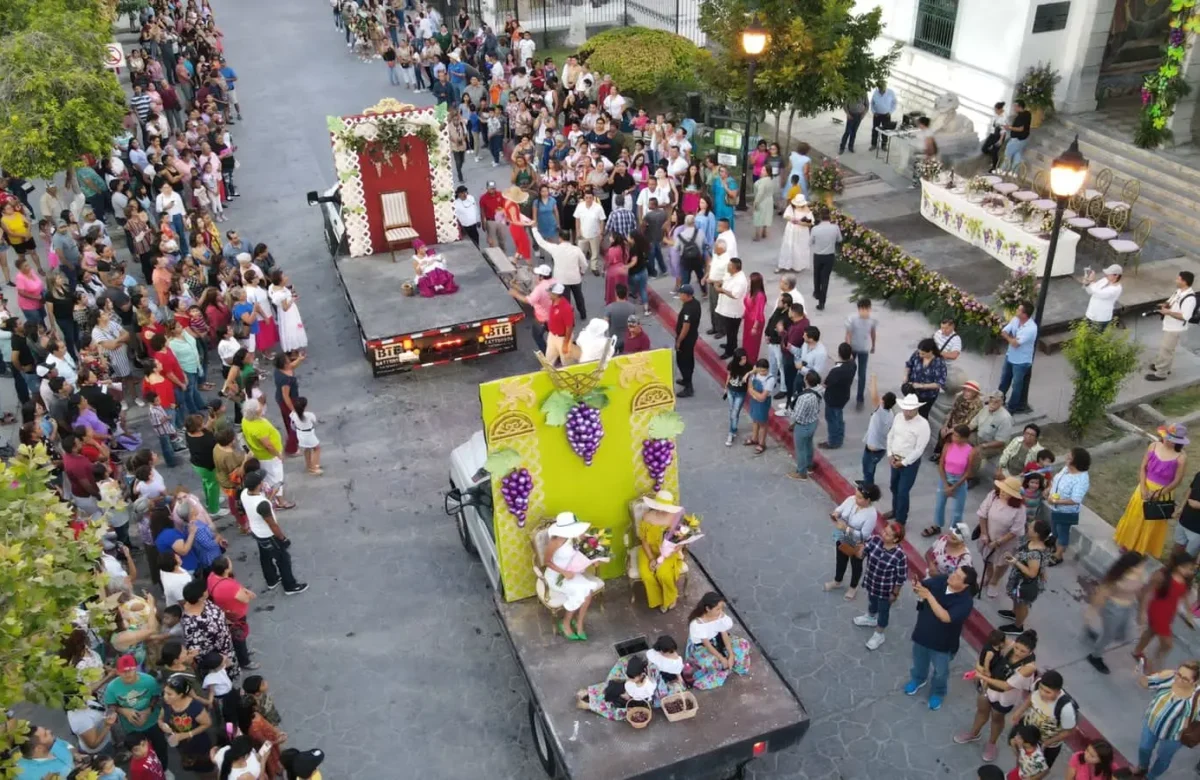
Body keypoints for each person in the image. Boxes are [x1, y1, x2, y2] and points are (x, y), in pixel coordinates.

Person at [954, 629, 1038, 762]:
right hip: (988, 688)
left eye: (1023, 651)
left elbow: (1006, 686)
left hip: (1005, 696)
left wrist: (981, 676)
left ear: (1030, 651)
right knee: (981, 711)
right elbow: (987, 651)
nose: (1018, 652)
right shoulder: (1008, 645)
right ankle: (974, 733)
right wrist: (980, 666)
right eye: (1017, 648)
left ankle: (991, 744)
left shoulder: (1029, 667)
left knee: (997, 718)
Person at [905, 565, 978, 710]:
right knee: (919, 662)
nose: (952, 576)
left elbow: (946, 617)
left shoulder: (965, 602)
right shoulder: (941, 580)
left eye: (957, 577)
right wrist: (917, 586)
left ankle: (938, 693)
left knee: (940, 673)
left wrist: (929, 596)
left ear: (965, 585)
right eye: (954, 573)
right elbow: (924, 587)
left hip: (943, 644)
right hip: (922, 633)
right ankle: (918, 679)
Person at [1114, 423, 1189, 557]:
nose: (1168, 440)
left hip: (1163, 492)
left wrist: (1160, 493)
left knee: (1151, 522)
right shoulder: (1153, 446)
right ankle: (1127, 543)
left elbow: (1177, 480)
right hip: (1144, 487)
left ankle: (1140, 549)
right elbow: (1143, 468)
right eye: (1167, 437)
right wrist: (1143, 487)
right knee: (1135, 516)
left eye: (1172, 439)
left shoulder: (1181, 458)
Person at [240, 471, 308, 595]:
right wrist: (283, 538)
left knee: (265, 557)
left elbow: (262, 507)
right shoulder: (262, 504)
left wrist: (272, 495)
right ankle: (290, 585)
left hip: (256, 532)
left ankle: (272, 580)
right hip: (268, 535)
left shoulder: (244, 494)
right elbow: (272, 524)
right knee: (283, 559)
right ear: (259, 484)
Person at [1134, 660, 1200, 778]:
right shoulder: (1169, 677)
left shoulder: (1197, 698)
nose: (1178, 679)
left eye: (1184, 678)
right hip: (1151, 723)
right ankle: (1142, 768)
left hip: (1174, 736)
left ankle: (1150, 776)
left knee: (1163, 758)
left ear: (1195, 682)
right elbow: (1147, 683)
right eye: (1178, 674)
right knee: (1144, 748)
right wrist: (1141, 675)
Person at [542, 511, 602, 640]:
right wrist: (563, 572)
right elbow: (546, 562)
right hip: (556, 576)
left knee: (588, 592)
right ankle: (565, 622)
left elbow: (588, 543)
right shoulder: (555, 542)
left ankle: (579, 623)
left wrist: (594, 555)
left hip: (572, 573)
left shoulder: (575, 536)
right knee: (582, 592)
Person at [105, 655, 169, 767]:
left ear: (136, 668)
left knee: (161, 747)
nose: (128, 674)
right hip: (131, 728)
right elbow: (111, 704)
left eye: (131, 670)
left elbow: (156, 696)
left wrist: (149, 710)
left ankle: (163, 769)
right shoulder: (112, 687)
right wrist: (123, 711)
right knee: (139, 752)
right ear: (117, 672)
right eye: (123, 671)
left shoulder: (149, 680)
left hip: (153, 722)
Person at [855, 522, 908, 650]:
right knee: (872, 602)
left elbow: (901, 578)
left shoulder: (900, 556)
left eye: (888, 534)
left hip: (886, 590)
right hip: (871, 582)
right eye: (884, 531)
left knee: (883, 611)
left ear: (895, 539)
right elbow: (860, 555)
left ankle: (879, 634)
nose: (883, 534)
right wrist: (860, 547)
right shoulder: (875, 540)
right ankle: (870, 617)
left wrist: (895, 593)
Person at [824, 482, 882, 601]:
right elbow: (840, 509)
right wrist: (836, 513)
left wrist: (846, 528)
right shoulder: (851, 499)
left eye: (860, 497)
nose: (856, 498)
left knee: (856, 564)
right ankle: (837, 580)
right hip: (841, 535)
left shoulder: (871, 514)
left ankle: (853, 587)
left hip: (857, 543)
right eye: (856, 495)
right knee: (840, 559)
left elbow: (863, 535)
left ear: (868, 500)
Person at [1013, 670, 1078, 770]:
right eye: (1041, 689)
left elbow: (1069, 731)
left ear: (1058, 691)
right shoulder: (1037, 683)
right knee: (1021, 756)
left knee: (1037, 769)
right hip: (1028, 733)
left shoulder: (1066, 708)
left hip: (1047, 744)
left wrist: (1046, 743)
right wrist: (1019, 712)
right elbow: (1031, 698)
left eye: (1048, 692)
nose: (1042, 693)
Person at [997, 517, 1052, 634]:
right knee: (1016, 598)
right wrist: (1014, 557)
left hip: (1025, 585)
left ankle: (1018, 626)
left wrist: (1015, 562)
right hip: (1019, 580)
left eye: (1031, 527)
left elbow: (1032, 573)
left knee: (1022, 604)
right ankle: (1014, 612)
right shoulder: (1031, 542)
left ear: (1036, 534)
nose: (1028, 527)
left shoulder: (1035, 554)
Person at [685, 592, 752, 689]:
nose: (721, 611)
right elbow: (707, 644)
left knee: (743, 644)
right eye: (718, 609)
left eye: (721, 609)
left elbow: (723, 633)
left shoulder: (719, 616)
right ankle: (726, 665)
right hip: (703, 647)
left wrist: (731, 654)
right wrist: (722, 658)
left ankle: (730, 662)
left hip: (718, 640)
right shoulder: (697, 624)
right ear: (708, 609)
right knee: (718, 663)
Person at [636, 490, 686, 612]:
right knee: (646, 574)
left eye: (665, 508)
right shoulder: (647, 517)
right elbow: (644, 540)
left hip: (669, 552)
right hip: (648, 550)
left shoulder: (675, 519)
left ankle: (670, 597)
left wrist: (665, 555)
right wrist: (652, 559)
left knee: (663, 573)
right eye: (659, 507)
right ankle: (658, 599)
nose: (661, 510)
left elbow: (680, 541)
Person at [885, 394, 930, 526]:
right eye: (905, 409)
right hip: (894, 458)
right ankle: (895, 510)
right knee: (894, 487)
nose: (907, 412)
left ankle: (901, 519)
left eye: (910, 409)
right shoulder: (898, 417)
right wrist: (889, 454)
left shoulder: (923, 425)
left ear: (916, 409)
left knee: (903, 491)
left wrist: (903, 462)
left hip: (909, 463)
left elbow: (919, 449)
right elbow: (891, 435)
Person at [575, 653, 657, 721]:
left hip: (635, 701)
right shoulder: (635, 680)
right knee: (611, 687)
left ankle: (590, 705)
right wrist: (626, 691)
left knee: (614, 704)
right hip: (628, 693)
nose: (630, 679)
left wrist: (628, 697)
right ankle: (590, 693)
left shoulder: (647, 686)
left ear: (641, 675)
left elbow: (647, 697)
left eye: (632, 678)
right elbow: (628, 684)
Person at [1044, 447, 1091, 565]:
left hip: (1066, 512)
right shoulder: (1067, 469)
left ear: (1076, 462)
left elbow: (1075, 499)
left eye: (1069, 457)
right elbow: (1057, 480)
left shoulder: (1081, 479)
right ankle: (1053, 543)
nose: (1066, 458)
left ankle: (1058, 555)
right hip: (1055, 507)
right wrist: (1049, 489)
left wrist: (1056, 502)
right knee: (1055, 527)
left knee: (1062, 532)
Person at [158, 675, 214, 774]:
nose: (165, 696)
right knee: (187, 759)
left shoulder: (195, 707)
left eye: (169, 694)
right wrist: (162, 725)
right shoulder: (166, 702)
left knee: (203, 766)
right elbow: (160, 718)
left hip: (197, 743)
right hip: (180, 742)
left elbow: (207, 724)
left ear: (181, 695)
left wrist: (187, 734)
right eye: (164, 692)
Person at [925, 425, 973, 537]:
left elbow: (968, 472)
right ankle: (937, 525)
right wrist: (946, 484)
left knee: (958, 510)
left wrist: (954, 486)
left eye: (956, 435)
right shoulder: (948, 446)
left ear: (964, 438)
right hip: (945, 478)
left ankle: (954, 531)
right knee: (939, 505)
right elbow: (941, 465)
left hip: (959, 481)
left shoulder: (970, 451)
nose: (953, 437)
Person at [1147, 271, 1197, 381]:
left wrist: (1168, 312)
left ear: (1184, 282)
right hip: (1169, 325)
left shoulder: (1190, 299)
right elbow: (1172, 302)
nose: (1176, 280)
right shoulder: (1179, 291)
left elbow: (1185, 316)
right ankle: (1163, 367)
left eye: (1178, 279)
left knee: (1166, 350)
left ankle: (1161, 374)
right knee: (1167, 349)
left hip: (1175, 329)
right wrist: (1165, 305)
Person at [998, 301, 1037, 413]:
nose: (1016, 311)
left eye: (1019, 310)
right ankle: (999, 400)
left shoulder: (1031, 328)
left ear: (1024, 314)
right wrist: (1011, 338)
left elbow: (1016, 343)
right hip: (1010, 355)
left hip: (1021, 361)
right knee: (1004, 381)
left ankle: (1012, 407)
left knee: (1017, 385)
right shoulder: (1015, 320)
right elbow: (1004, 331)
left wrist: (1009, 338)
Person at [932, 380, 983, 462]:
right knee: (941, 432)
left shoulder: (977, 405)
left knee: (951, 437)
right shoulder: (960, 397)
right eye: (965, 390)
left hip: (964, 427)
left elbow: (968, 421)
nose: (966, 392)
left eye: (969, 391)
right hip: (953, 421)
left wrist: (951, 430)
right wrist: (945, 426)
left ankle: (945, 457)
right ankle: (938, 453)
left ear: (975, 393)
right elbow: (952, 411)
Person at [787, 371, 824, 481]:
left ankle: (801, 472)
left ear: (806, 381)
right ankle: (809, 464)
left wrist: (788, 410)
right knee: (808, 444)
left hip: (803, 425)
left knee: (800, 449)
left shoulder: (804, 398)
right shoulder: (820, 389)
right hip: (813, 422)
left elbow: (797, 416)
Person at [862, 376, 896, 487]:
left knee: (868, 471)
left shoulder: (881, 412)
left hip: (873, 451)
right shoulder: (890, 413)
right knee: (869, 470)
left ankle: (868, 488)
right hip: (879, 449)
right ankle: (867, 483)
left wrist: (874, 379)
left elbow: (873, 396)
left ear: (883, 401)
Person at [821, 343, 855, 450]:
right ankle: (840, 436)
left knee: (832, 419)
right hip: (844, 395)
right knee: (839, 416)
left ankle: (833, 441)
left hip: (833, 397)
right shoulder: (852, 365)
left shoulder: (836, 371)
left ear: (839, 354)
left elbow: (826, 383)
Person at [844, 299, 877, 408]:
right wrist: (848, 350)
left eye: (866, 309)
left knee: (862, 374)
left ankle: (860, 398)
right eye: (862, 309)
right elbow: (848, 334)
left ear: (870, 309)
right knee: (849, 371)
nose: (864, 311)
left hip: (864, 349)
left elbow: (873, 332)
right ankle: (845, 393)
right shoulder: (852, 319)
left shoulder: (873, 320)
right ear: (858, 309)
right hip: (852, 348)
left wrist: (873, 345)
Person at [904, 338, 947, 419]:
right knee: (909, 412)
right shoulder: (917, 354)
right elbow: (909, 364)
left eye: (923, 354)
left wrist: (921, 386)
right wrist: (905, 377)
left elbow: (939, 383)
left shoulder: (939, 363)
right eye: (919, 353)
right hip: (912, 391)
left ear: (931, 351)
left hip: (928, 395)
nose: (920, 355)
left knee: (922, 415)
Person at [715, 257, 748, 360]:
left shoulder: (740, 280)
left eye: (729, 266)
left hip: (734, 312)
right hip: (728, 309)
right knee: (730, 331)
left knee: (732, 332)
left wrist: (722, 290)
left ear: (734, 268)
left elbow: (735, 294)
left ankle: (730, 351)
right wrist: (719, 283)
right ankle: (731, 345)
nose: (727, 267)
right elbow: (725, 279)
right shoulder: (732, 274)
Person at [808, 209, 841, 311]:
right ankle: (822, 302)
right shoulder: (835, 228)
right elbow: (839, 239)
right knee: (825, 278)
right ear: (829, 217)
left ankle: (817, 292)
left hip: (818, 255)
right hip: (829, 256)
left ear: (821, 218)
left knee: (817, 276)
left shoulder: (815, 229)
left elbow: (810, 242)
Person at [722, 349, 752, 447]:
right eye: (742, 359)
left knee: (735, 412)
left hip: (741, 393)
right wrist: (726, 387)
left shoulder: (748, 366)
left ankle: (731, 433)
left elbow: (755, 369)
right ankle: (733, 428)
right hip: (731, 391)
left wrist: (747, 374)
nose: (744, 360)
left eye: (745, 358)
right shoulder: (732, 365)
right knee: (733, 411)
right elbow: (729, 376)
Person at [745, 358, 775, 454]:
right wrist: (753, 392)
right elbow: (748, 387)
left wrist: (752, 391)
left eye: (765, 370)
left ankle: (762, 443)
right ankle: (754, 438)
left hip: (763, 403)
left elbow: (762, 397)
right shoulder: (754, 374)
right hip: (754, 401)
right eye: (761, 370)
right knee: (755, 420)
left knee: (762, 423)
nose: (763, 372)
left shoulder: (770, 379)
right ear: (757, 369)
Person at [1080, 264, 1123, 329]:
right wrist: (1088, 282)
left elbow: (1098, 293)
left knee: (1095, 337)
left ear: (1116, 275)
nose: (1106, 275)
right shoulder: (1104, 280)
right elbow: (1091, 291)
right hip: (1090, 313)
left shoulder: (1115, 289)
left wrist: (1089, 282)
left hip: (1101, 318)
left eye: (1109, 274)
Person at [675, 285, 700, 398]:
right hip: (692, 336)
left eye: (681, 293)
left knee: (683, 362)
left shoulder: (688, 309)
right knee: (688, 359)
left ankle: (688, 387)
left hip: (686, 339)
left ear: (687, 295)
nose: (680, 295)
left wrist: (679, 340)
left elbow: (686, 326)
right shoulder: (695, 303)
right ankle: (686, 379)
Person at [544, 283, 575, 367]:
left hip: (563, 339)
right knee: (548, 361)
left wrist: (565, 344)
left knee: (567, 363)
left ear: (556, 294)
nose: (548, 294)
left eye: (550, 292)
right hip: (552, 336)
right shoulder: (553, 302)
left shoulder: (566, 308)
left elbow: (569, 327)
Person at [741, 271, 767, 365]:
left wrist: (755, 327)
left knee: (753, 344)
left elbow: (759, 312)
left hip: (755, 322)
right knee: (746, 341)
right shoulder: (751, 292)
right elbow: (748, 306)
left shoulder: (760, 296)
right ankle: (745, 357)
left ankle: (751, 361)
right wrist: (744, 314)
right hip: (748, 319)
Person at [1001, 99, 1032, 173]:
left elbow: (1021, 129)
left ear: (1019, 107)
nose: (1013, 108)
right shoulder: (1027, 114)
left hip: (1017, 140)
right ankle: (1013, 174)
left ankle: (1001, 172)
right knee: (1017, 158)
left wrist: (1009, 127)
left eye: (1015, 106)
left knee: (1007, 156)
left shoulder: (1022, 116)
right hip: (1023, 140)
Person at [869, 81, 897, 153]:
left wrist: (890, 112)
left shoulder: (891, 92)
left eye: (884, 87)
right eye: (881, 88)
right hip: (877, 115)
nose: (883, 89)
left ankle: (884, 145)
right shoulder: (875, 92)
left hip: (886, 115)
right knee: (875, 129)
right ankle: (873, 144)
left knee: (885, 130)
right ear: (878, 88)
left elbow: (895, 103)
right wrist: (874, 112)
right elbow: (872, 103)